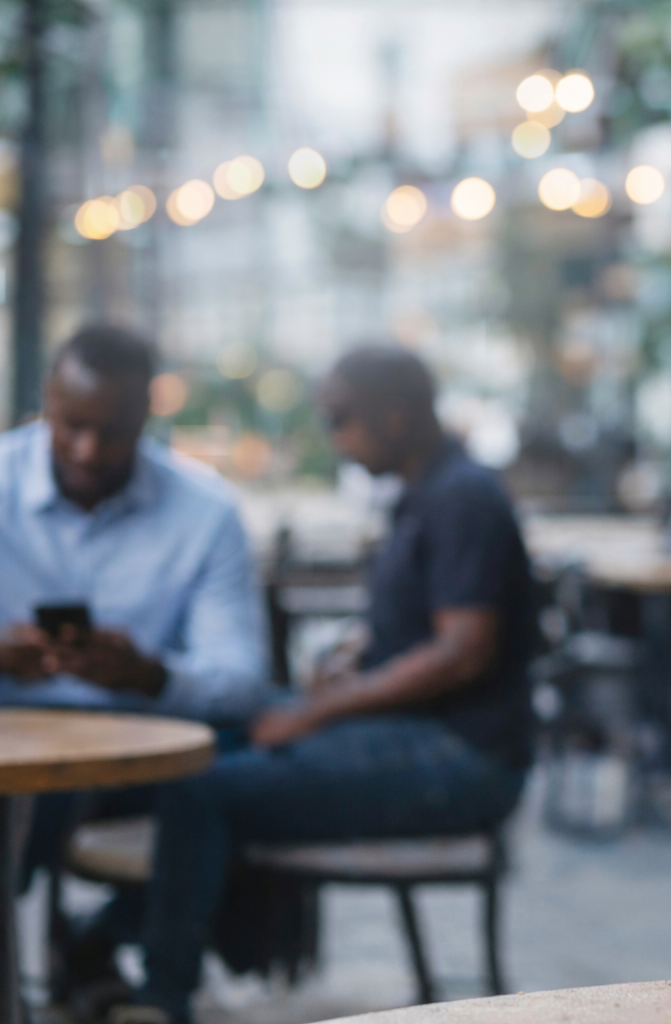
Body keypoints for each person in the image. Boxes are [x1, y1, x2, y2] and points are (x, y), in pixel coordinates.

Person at [125, 345, 534, 1024]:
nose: (331, 434)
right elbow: (417, 624)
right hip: (419, 732)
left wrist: (316, 714)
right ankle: (180, 939)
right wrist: (354, 649)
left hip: (464, 757)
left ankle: (158, 996)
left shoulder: (463, 495)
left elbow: (461, 653)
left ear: (396, 417)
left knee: (205, 789)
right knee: (213, 735)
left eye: (340, 417)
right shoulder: (428, 490)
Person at [0, 323, 269, 721]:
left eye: (113, 432)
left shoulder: (207, 512)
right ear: (47, 398)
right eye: (73, 424)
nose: (88, 452)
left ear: (146, 413)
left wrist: (148, 676)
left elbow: (242, 685)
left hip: (150, 748)